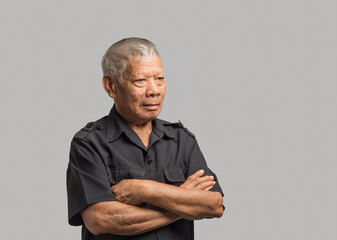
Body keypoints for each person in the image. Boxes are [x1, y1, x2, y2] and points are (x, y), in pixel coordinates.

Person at [66, 37, 224, 240]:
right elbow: (100, 219)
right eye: (140, 81)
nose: (154, 91)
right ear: (111, 86)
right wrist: (183, 202)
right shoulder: (88, 144)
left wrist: (146, 190)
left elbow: (214, 205)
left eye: (159, 79)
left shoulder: (181, 140)